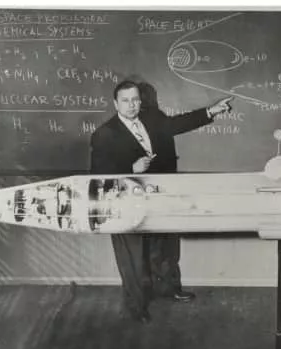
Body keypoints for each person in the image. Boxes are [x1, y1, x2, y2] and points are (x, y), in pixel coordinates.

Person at [90, 80, 232, 323]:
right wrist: (130, 168)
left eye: (135, 100)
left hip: (160, 195)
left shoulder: (152, 118)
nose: (132, 105)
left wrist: (212, 111)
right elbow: (97, 174)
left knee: (166, 245)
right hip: (126, 202)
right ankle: (136, 306)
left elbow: (179, 123)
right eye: (125, 101)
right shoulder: (104, 134)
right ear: (115, 104)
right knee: (132, 256)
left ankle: (168, 289)